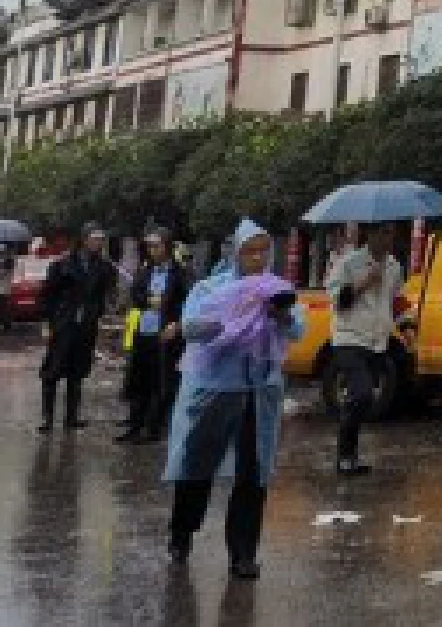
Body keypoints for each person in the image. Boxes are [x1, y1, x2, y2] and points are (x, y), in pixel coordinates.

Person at [164, 219, 303, 579]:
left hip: (258, 393)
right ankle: (181, 534)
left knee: (252, 472)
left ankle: (243, 552)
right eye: (250, 251)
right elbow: (190, 327)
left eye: (263, 251)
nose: (257, 258)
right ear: (237, 253)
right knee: (197, 465)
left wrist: (280, 314)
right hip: (216, 391)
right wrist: (231, 314)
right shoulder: (212, 287)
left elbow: (297, 330)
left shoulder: (277, 289)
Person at [327, 222, 404, 476]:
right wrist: (363, 283)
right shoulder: (348, 264)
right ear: (370, 234)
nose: (388, 238)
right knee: (361, 394)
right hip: (350, 338)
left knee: (365, 398)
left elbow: (395, 300)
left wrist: (406, 326)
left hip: (377, 341)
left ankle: (350, 455)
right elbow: (338, 301)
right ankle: (344, 456)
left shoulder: (394, 266)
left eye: (391, 233)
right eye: (384, 233)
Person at [38, 224, 119, 433]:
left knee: (78, 370)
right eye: (95, 238)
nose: (98, 243)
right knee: (53, 370)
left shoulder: (103, 266)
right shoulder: (62, 264)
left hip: (86, 325)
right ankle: (47, 418)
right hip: (63, 323)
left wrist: (102, 313)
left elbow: (109, 293)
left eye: (101, 239)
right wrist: (47, 323)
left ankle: (71, 417)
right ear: (84, 239)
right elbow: (47, 295)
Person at [119, 228, 193, 444]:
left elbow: (188, 301)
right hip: (143, 332)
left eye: (156, 245)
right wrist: (148, 300)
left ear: (167, 246)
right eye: (150, 246)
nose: (152, 250)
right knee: (138, 380)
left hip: (165, 336)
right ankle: (135, 425)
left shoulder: (180, 273)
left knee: (160, 383)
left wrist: (176, 322)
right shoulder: (145, 270)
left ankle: (153, 429)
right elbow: (135, 293)